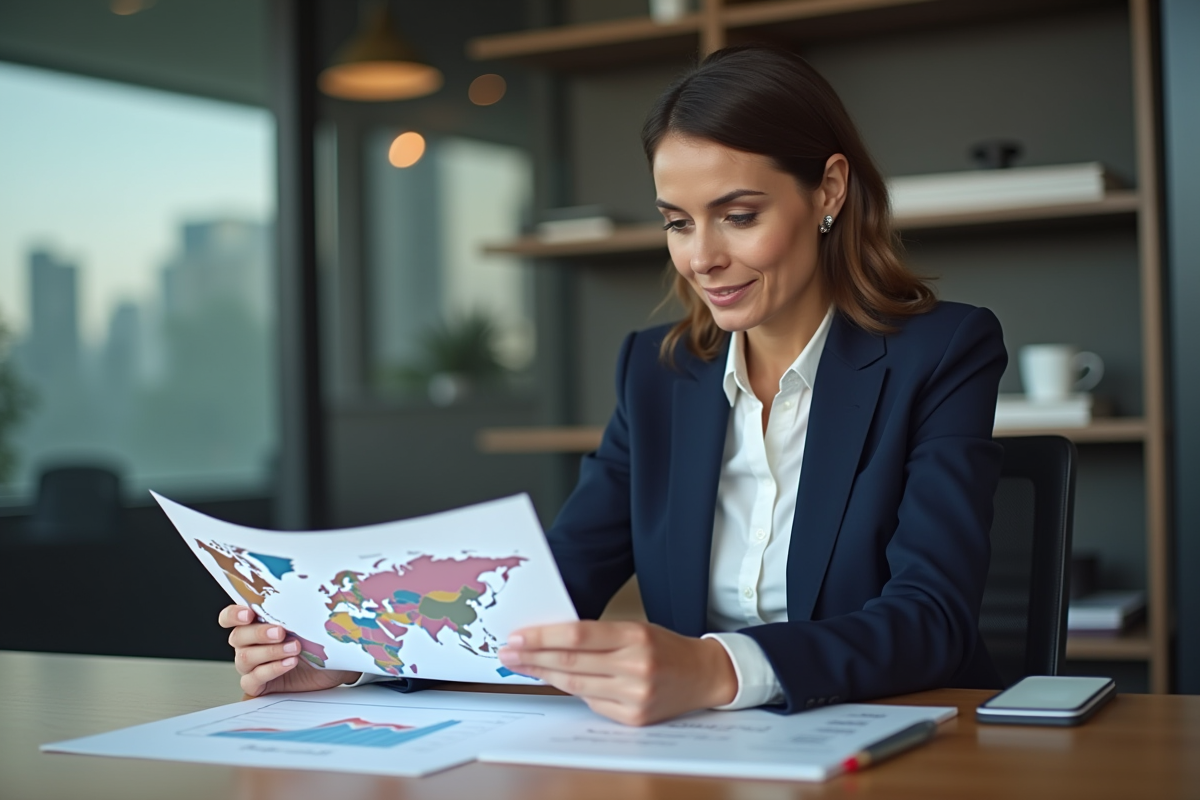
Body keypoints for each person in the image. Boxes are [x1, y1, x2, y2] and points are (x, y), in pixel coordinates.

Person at [220, 44, 1007, 727]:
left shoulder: (943, 352)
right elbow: (549, 593)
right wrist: (350, 660)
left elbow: (932, 618)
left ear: (828, 190)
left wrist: (716, 668)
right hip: (704, 751)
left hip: (904, 740)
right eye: (678, 222)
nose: (702, 258)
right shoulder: (658, 375)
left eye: (738, 215)